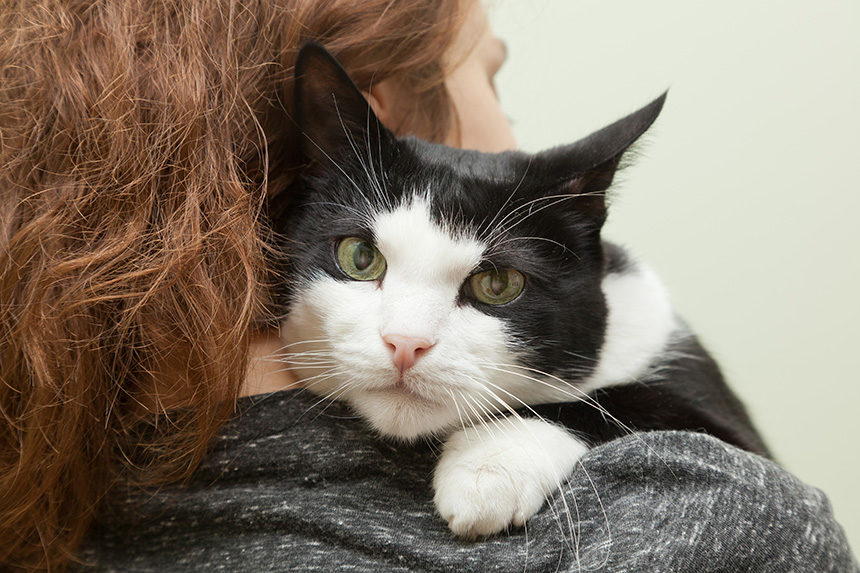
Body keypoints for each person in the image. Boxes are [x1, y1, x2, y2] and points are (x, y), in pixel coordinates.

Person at [0, 0, 855, 571]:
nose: (511, 131)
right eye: (493, 78)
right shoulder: (707, 518)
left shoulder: (51, 487)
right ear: (385, 123)